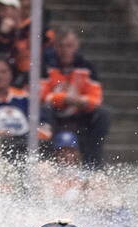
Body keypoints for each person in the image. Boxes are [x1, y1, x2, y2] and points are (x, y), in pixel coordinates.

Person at [41, 27, 109, 169]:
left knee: (102, 114)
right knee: (43, 111)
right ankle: (46, 163)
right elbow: (41, 96)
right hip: (54, 113)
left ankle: (93, 165)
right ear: (55, 47)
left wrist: (83, 101)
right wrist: (64, 99)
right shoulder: (46, 66)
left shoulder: (87, 67)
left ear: (76, 46)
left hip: (79, 113)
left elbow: (96, 98)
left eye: (69, 45)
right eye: (61, 46)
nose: (65, 50)